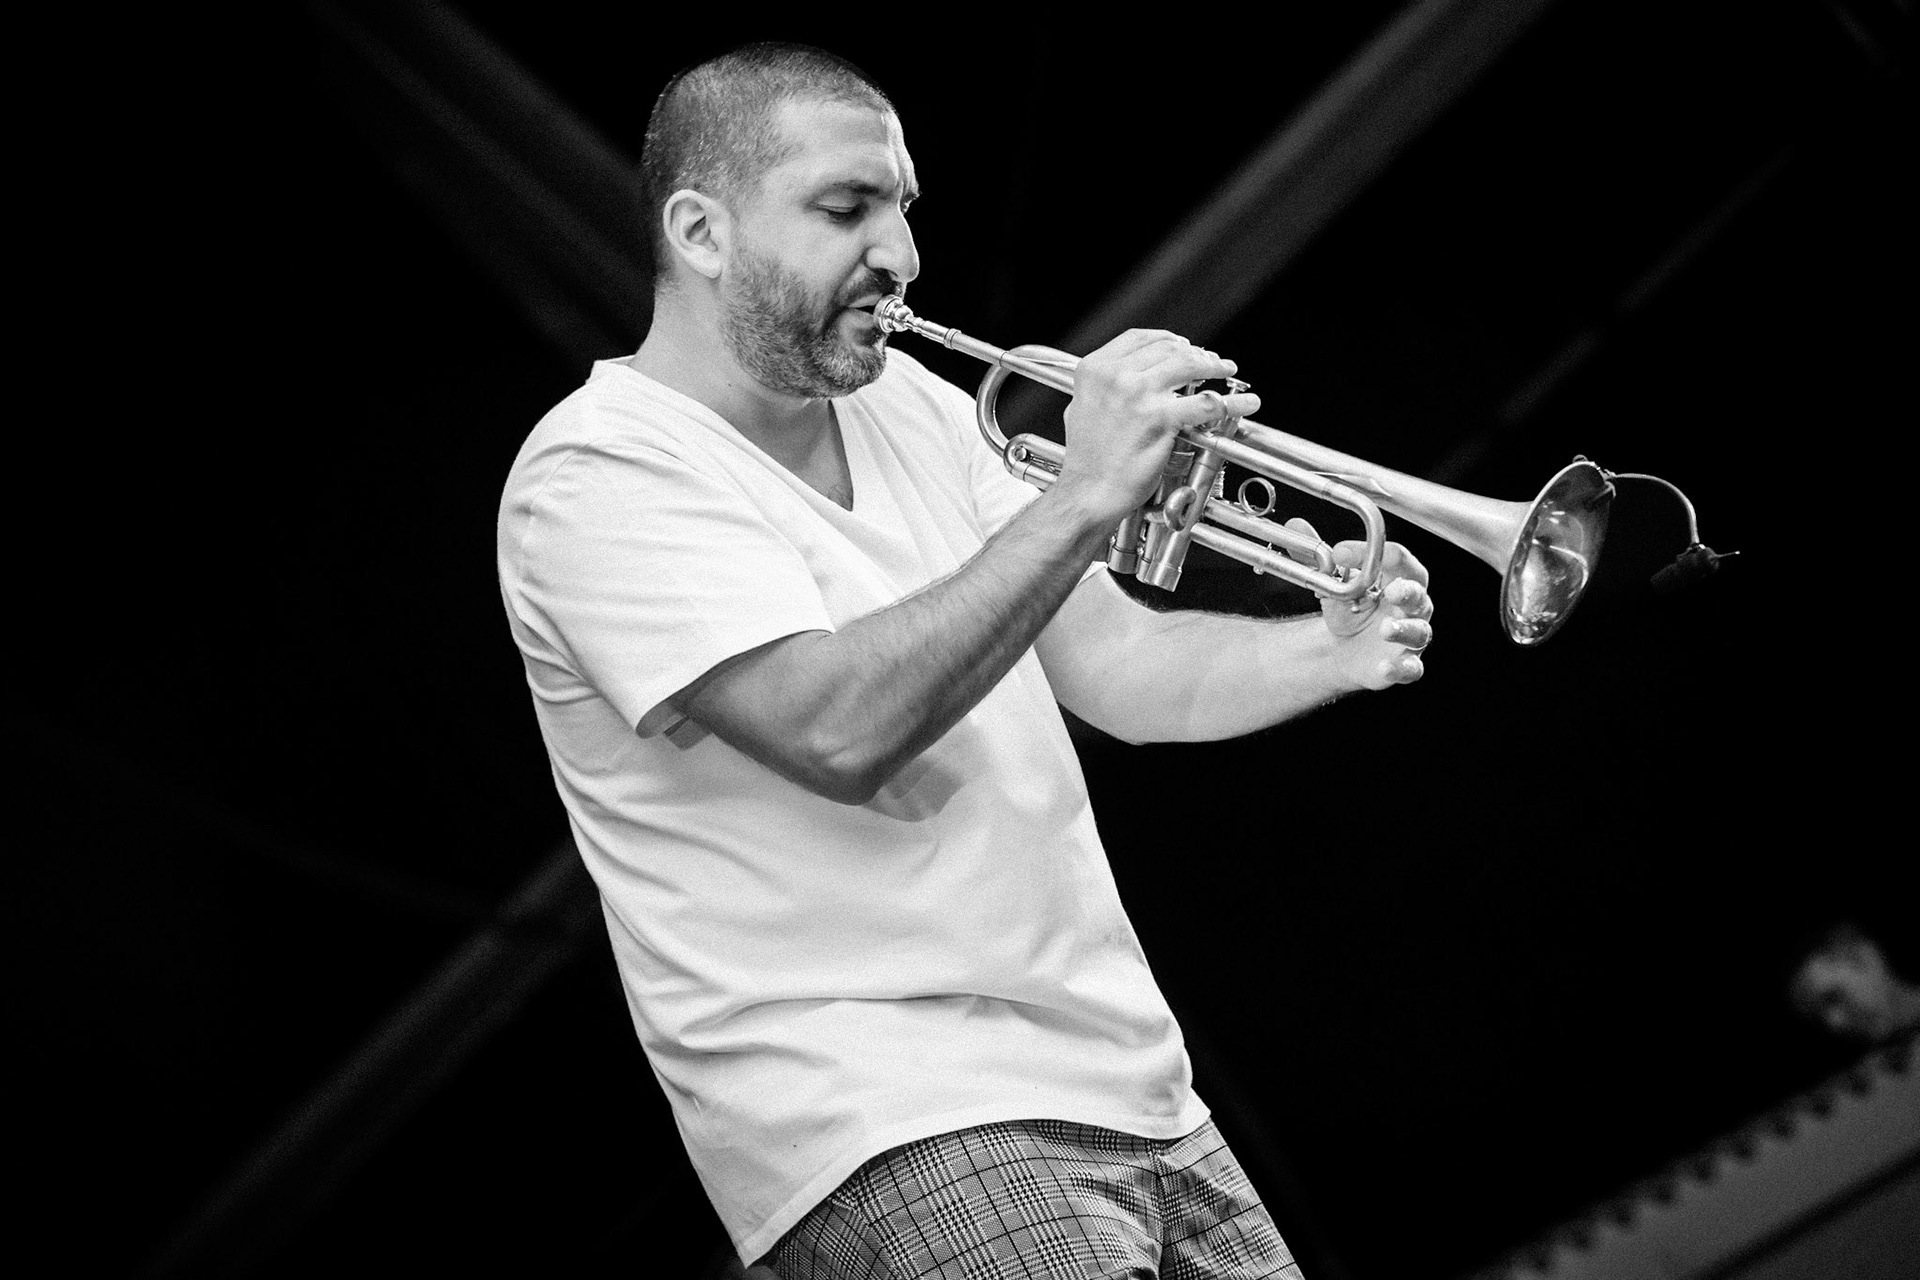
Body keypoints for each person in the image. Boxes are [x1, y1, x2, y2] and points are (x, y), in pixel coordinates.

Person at [496, 42, 1434, 1280]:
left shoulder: (916, 406)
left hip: (1136, 1084)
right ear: (700, 229)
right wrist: (1088, 492)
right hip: (883, 1111)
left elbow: (1120, 673)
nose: (901, 253)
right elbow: (834, 727)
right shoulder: (597, 472)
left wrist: (1325, 648)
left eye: (903, 207)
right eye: (846, 208)